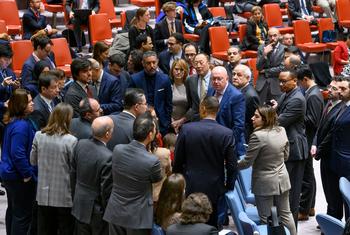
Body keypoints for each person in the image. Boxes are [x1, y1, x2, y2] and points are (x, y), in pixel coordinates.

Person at [173, 96, 237, 228]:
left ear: (202, 108)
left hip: (190, 183)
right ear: (217, 110)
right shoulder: (226, 133)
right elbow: (232, 165)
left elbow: (178, 159)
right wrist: (228, 186)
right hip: (214, 185)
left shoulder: (186, 129)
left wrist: (178, 181)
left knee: (189, 221)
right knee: (211, 222)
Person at [238, 105, 297, 235]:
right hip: (282, 178)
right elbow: (285, 156)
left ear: (266, 119)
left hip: (264, 182)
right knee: (286, 213)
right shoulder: (281, 130)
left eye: (257, 116)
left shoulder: (257, 136)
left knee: (266, 217)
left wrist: (231, 165)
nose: (252, 118)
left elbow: (247, 162)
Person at [103, 112, 163, 235]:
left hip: (116, 211)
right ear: (150, 134)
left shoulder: (117, 149)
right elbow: (157, 179)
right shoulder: (152, 161)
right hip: (138, 217)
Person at [30, 103, 77, 235]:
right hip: (64, 195)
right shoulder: (71, 140)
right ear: (68, 119)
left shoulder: (39, 135)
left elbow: (32, 161)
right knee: (65, 229)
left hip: (43, 194)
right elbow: (73, 169)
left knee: (44, 230)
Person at [272, 69, 308, 229]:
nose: (281, 84)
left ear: (295, 81)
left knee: (291, 195)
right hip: (286, 148)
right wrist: (276, 107)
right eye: (279, 81)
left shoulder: (297, 99)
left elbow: (279, 121)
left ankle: (291, 231)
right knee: (283, 194)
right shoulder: (286, 94)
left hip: (294, 151)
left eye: (284, 81)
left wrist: (268, 115)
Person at [1, 89, 36, 235]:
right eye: (28, 102)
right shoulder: (21, 126)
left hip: (10, 174)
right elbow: (18, 154)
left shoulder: (14, 121)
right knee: (22, 216)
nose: (32, 103)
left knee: (14, 211)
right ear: (21, 105)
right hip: (18, 177)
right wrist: (27, 174)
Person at [71, 116, 114, 235]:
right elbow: (106, 190)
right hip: (96, 212)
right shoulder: (108, 157)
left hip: (79, 204)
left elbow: (72, 174)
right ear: (107, 134)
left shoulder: (80, 144)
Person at [311, 79, 344, 220]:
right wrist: (314, 143)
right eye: (330, 86)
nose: (330, 89)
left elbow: (331, 134)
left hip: (331, 154)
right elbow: (320, 127)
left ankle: (334, 220)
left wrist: (319, 151)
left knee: (333, 192)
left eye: (334, 88)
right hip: (324, 153)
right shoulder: (329, 103)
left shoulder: (342, 108)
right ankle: (330, 217)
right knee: (328, 190)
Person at [297, 65, 324, 221]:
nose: (300, 86)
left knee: (306, 177)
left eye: (300, 82)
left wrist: (297, 114)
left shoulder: (313, 95)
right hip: (307, 139)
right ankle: (310, 206)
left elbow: (313, 121)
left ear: (305, 79)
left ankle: (305, 210)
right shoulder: (312, 92)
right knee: (309, 175)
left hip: (308, 139)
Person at [129, 51, 173, 136]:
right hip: (141, 122)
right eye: (148, 63)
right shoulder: (135, 79)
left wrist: (166, 122)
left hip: (162, 123)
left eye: (154, 62)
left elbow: (169, 103)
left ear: (157, 62)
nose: (152, 66)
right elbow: (131, 102)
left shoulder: (165, 79)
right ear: (143, 63)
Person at [208, 66, 246, 157]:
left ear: (227, 79)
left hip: (230, 145)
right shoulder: (210, 91)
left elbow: (239, 126)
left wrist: (227, 145)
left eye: (219, 79)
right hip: (213, 142)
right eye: (213, 79)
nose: (216, 82)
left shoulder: (236, 96)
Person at [328, 76, 350, 220]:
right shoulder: (343, 106)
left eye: (344, 89)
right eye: (339, 88)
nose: (340, 92)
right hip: (337, 161)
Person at [256, 27, 285, 103]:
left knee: (275, 109)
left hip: (276, 84)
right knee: (261, 108)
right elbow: (258, 67)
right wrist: (264, 54)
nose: (272, 38)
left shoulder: (284, 49)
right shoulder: (261, 48)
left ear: (279, 35)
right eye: (270, 36)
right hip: (262, 84)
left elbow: (282, 68)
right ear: (267, 36)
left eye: (275, 35)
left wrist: (265, 71)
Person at [232, 64, 260, 142]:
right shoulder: (236, 90)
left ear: (247, 78)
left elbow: (253, 122)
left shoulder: (251, 96)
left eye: (239, 75)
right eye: (234, 74)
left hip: (244, 136)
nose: (234, 77)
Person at [184, 53, 212, 122]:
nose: (198, 66)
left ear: (208, 63)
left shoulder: (216, 78)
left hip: (213, 118)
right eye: (196, 63)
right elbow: (190, 101)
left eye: (201, 63)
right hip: (196, 119)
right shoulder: (190, 80)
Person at [0, 44, 18, 121]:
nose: (8, 62)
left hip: (10, 110)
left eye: (10, 59)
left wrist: (16, 87)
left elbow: (14, 92)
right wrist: (2, 85)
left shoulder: (10, 72)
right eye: (5, 59)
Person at [170, 59, 189, 133]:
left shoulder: (189, 85)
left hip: (186, 123)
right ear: (172, 70)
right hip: (170, 123)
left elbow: (193, 107)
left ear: (185, 71)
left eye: (181, 69)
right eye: (176, 69)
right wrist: (172, 121)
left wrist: (180, 121)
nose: (178, 72)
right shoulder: (167, 84)